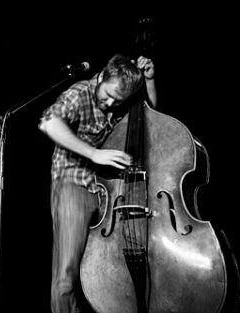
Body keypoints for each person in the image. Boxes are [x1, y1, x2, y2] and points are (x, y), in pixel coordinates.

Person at [38, 54, 156, 313]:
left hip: (108, 190)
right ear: (102, 76)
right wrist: (94, 153)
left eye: (119, 100)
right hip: (72, 184)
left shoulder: (116, 101)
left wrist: (149, 80)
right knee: (65, 276)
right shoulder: (80, 93)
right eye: (109, 94)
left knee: (109, 268)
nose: (112, 103)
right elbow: (48, 122)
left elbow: (151, 117)